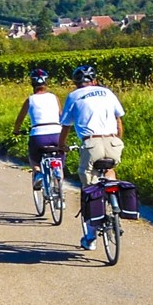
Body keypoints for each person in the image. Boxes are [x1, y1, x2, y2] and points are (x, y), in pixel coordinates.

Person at [57, 64, 124, 250]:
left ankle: (90, 237)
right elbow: (118, 120)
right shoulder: (107, 92)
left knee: (89, 188)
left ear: (76, 82)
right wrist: (117, 141)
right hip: (113, 142)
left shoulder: (73, 96)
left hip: (91, 143)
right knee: (109, 170)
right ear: (94, 80)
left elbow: (66, 125)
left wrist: (61, 145)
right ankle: (114, 202)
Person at [13, 68, 63, 188]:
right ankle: (58, 172)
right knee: (60, 153)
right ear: (46, 83)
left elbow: (20, 118)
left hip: (38, 135)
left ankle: (38, 172)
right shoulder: (54, 97)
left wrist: (16, 131)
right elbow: (61, 115)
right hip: (57, 133)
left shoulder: (30, 100)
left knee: (33, 156)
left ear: (32, 83)